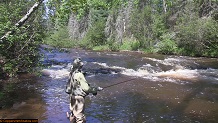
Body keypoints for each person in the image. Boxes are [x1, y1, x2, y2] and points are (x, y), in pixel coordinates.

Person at [65, 57, 103, 123]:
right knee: (79, 117)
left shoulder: (71, 73)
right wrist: (95, 89)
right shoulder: (79, 75)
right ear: (80, 66)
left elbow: (69, 88)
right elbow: (86, 88)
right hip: (79, 97)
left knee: (73, 114)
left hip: (72, 96)